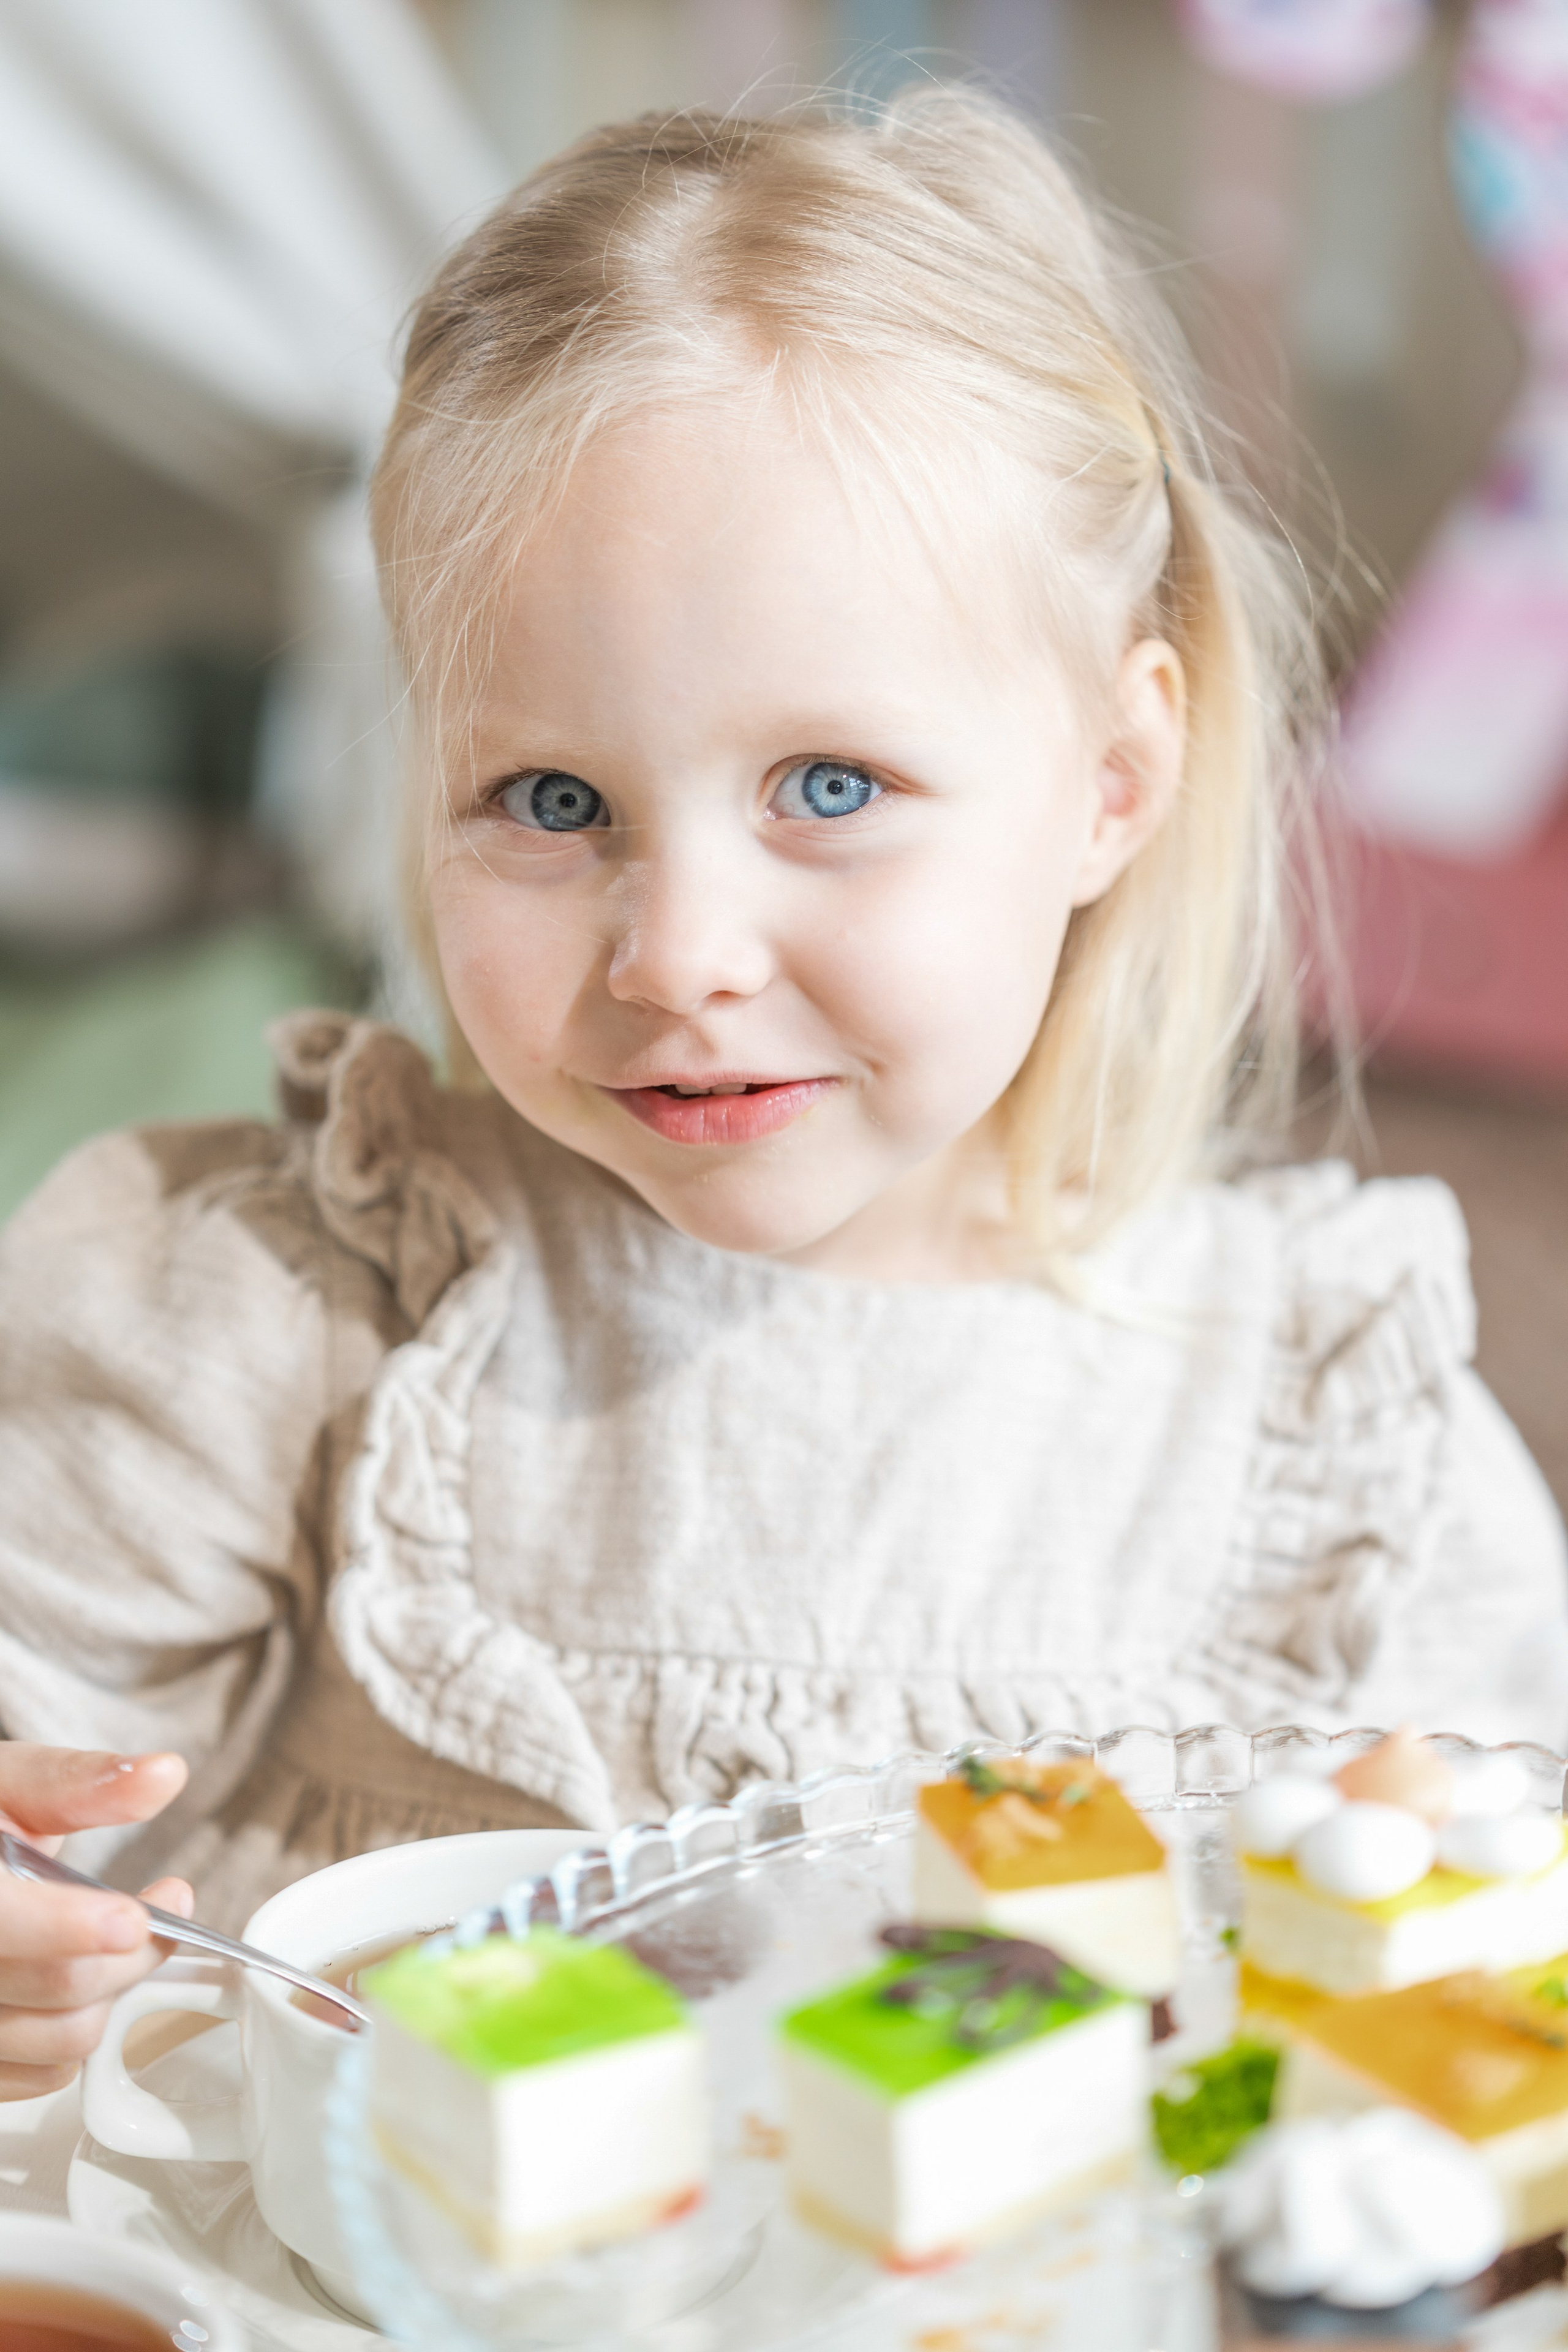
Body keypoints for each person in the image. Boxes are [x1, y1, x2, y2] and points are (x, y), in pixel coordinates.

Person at [1, 90, 1563, 2100]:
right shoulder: (287, 1309)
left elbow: (1485, 2002)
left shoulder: (1344, 1438)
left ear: (1113, 778)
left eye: (831, 788)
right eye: (551, 802)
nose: (679, 951)